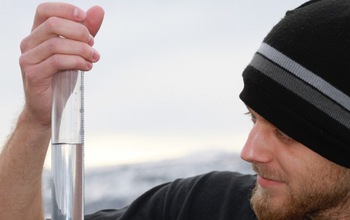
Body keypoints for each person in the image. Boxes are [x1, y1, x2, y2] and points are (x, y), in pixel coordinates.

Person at [0, 0, 349, 219]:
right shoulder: (203, 207)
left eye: (285, 133)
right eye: (253, 118)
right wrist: (38, 120)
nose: (248, 151)